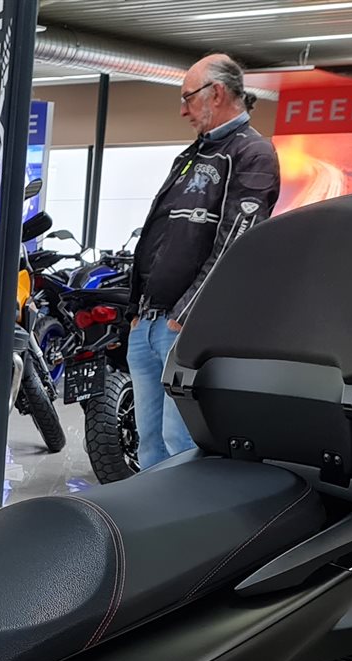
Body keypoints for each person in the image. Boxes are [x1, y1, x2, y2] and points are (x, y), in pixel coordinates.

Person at [126, 54, 280, 469]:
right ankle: (150, 511)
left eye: (188, 98)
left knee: (181, 443)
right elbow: (159, 232)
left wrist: (184, 316)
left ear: (217, 93)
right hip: (149, 321)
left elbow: (236, 243)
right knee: (149, 443)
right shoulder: (193, 154)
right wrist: (137, 312)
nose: (183, 110)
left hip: (184, 328)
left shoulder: (252, 152)